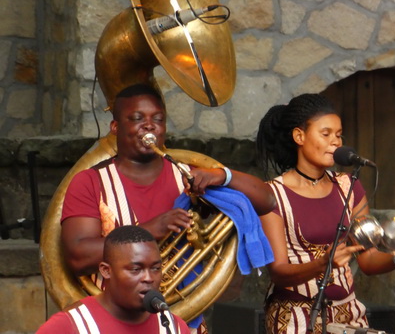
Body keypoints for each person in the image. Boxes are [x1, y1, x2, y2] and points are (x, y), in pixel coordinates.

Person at [60, 83, 276, 334]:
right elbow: (78, 256)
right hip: (114, 324)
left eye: (158, 119)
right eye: (137, 118)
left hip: (184, 322)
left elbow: (267, 201)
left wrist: (222, 175)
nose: (149, 125)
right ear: (115, 127)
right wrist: (151, 230)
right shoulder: (89, 182)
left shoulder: (187, 175)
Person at [255, 93, 395, 334]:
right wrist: (323, 263)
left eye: (338, 135)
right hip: (295, 318)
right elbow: (279, 272)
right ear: (299, 136)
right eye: (325, 134)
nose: (335, 142)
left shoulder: (349, 187)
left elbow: (367, 259)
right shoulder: (272, 194)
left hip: (348, 315)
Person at [37, 225, 191, 333]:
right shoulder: (69, 326)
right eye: (136, 269)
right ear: (106, 271)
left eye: (155, 268)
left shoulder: (173, 327)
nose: (148, 278)